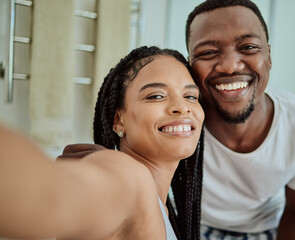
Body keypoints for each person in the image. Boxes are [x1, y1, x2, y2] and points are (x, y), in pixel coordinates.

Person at [61, 0, 295, 239]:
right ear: (192, 64)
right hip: (192, 226)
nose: (229, 65)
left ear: (268, 55)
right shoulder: (136, 175)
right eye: (208, 52)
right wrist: (109, 165)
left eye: (248, 46)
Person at [0, 46, 204, 240]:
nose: (182, 107)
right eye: (156, 96)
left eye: (190, 96)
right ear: (118, 120)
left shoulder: (162, 207)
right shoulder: (128, 178)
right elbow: (45, 197)